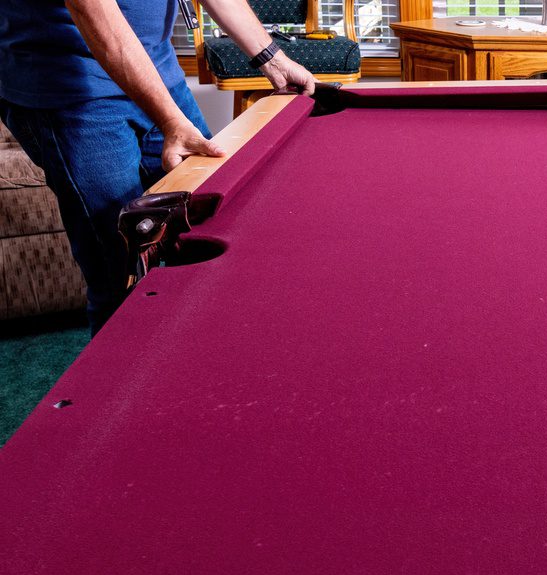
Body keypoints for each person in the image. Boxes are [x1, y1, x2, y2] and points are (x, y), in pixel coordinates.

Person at [0, 1, 317, 334]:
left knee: (207, 230)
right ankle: (127, 366)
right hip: (74, 93)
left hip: (158, 72)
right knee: (120, 270)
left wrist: (273, 58)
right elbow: (92, 9)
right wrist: (170, 121)